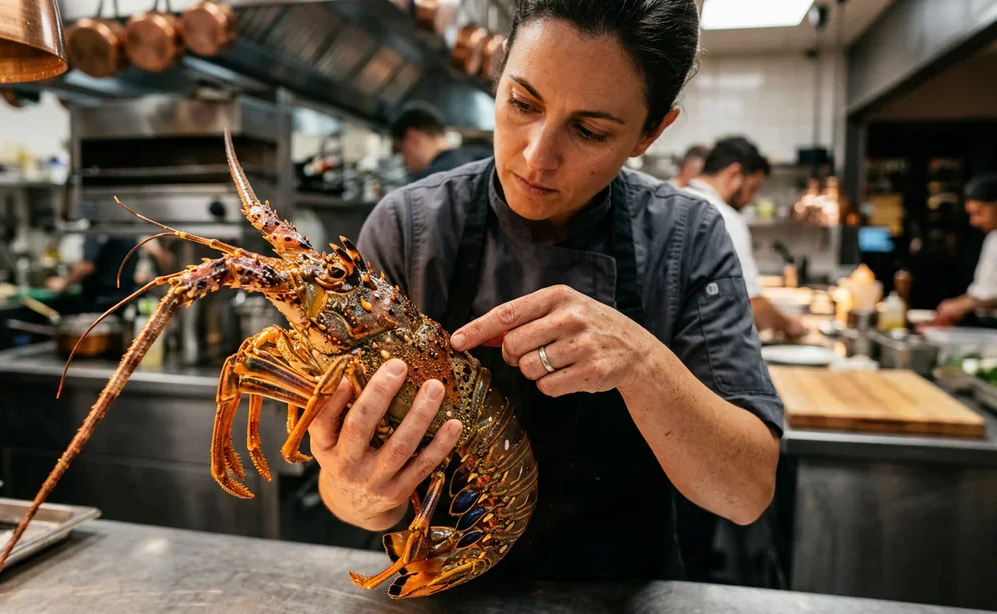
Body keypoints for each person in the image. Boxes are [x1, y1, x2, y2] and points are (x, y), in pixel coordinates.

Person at [305, 0, 783, 588]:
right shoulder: (410, 229)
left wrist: (642, 363)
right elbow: (340, 489)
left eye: (589, 130)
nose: (537, 156)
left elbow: (747, 493)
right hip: (435, 590)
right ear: (500, 69)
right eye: (523, 103)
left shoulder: (685, 238)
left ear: (651, 132)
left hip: (620, 595)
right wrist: (357, 490)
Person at [685, 137, 806, 339]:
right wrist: (789, 325)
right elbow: (751, 306)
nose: (750, 200)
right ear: (735, 173)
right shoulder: (723, 218)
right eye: (752, 189)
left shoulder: (671, 202)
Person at [46, 234, 175, 313]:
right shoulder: (133, 230)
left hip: (97, 303)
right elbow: (164, 258)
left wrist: (64, 283)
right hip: (126, 300)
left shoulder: (95, 231)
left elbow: (86, 267)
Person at [936, 172, 997, 326]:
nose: (974, 222)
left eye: (978, 213)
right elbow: (983, 291)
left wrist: (966, 305)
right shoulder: (992, 239)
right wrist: (957, 304)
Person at [390, 102, 493, 182]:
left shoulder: (428, 182)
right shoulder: (484, 157)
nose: (404, 161)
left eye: (402, 151)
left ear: (413, 137)